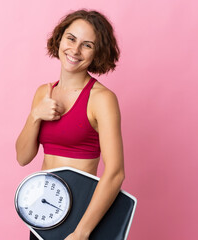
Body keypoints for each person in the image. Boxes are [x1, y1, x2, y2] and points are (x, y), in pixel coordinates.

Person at [16, 9, 124, 240]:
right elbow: (23, 157)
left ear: (97, 53)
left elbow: (115, 173)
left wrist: (81, 233)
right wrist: (35, 115)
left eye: (87, 45)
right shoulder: (44, 93)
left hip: (82, 215)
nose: (74, 50)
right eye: (71, 39)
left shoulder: (102, 99)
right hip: (43, 211)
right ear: (60, 38)